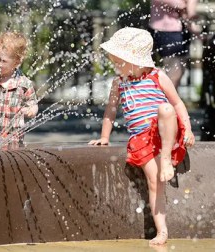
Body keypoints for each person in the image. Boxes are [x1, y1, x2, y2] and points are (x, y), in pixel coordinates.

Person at [89, 27, 195, 245]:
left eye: (118, 61)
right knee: (154, 184)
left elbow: (177, 104)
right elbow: (110, 111)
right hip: (142, 139)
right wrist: (104, 137)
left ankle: (166, 159)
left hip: (165, 133)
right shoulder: (119, 83)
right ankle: (162, 231)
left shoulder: (159, 76)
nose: (115, 66)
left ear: (134, 60)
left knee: (165, 109)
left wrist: (189, 129)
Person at [149, 0, 200, 88]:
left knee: (179, 71)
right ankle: (167, 99)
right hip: (165, 29)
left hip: (183, 29)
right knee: (174, 72)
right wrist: (182, 4)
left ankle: (170, 98)